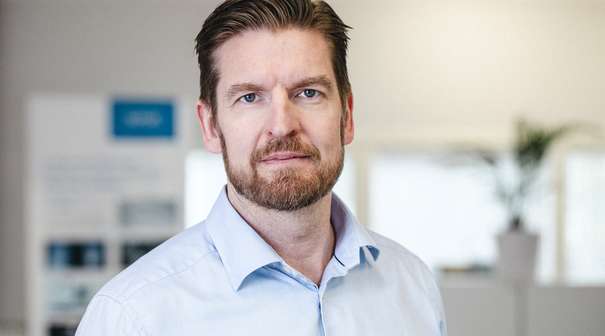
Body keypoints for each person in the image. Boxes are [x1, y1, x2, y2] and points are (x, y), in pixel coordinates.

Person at [76, 0, 447, 335]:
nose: (283, 124)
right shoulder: (133, 316)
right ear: (210, 126)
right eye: (250, 97)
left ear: (347, 116)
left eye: (308, 93)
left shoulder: (411, 284)